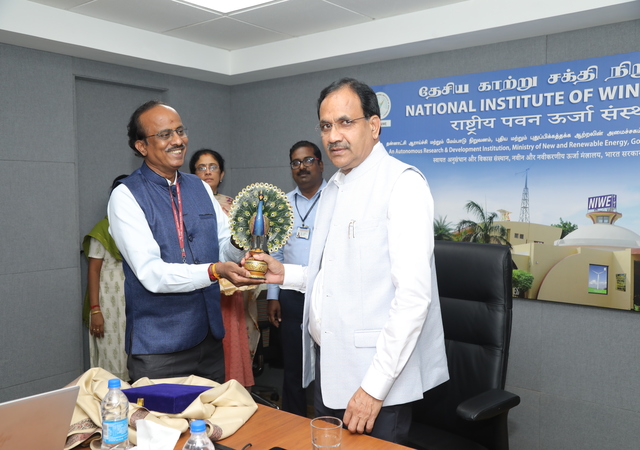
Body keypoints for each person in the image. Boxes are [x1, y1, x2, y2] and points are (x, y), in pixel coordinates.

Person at [249, 78, 449, 444]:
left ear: (373, 126)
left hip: (377, 383)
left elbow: (413, 299)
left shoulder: (402, 184)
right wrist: (284, 274)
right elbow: (337, 276)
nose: (333, 136)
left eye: (345, 122)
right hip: (332, 370)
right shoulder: (335, 188)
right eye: (326, 126)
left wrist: (374, 388)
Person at [107, 100, 260, 383]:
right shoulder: (126, 196)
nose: (178, 141)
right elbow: (151, 273)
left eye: (180, 131)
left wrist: (241, 240)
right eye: (165, 134)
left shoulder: (199, 187)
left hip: (209, 340)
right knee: (160, 415)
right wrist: (214, 271)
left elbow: (223, 246)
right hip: (159, 348)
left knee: (213, 413)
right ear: (141, 146)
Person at [189, 148, 260, 388]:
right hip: (196, 284)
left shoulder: (235, 206)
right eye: (201, 168)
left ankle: (233, 391)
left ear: (222, 174)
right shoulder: (185, 205)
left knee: (230, 341)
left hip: (230, 286)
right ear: (192, 175)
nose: (207, 172)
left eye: (213, 167)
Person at [266, 140, 326, 416]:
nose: (302, 167)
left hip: (326, 294)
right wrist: (273, 296)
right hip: (290, 293)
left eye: (308, 160)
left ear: (320, 164)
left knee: (328, 364)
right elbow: (275, 251)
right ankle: (293, 422)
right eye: (296, 162)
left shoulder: (336, 199)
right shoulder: (283, 205)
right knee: (292, 365)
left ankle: (328, 422)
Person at [82, 175, 129, 381]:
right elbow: (93, 271)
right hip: (109, 306)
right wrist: (96, 310)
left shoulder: (141, 230)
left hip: (134, 305)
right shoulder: (102, 229)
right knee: (111, 367)